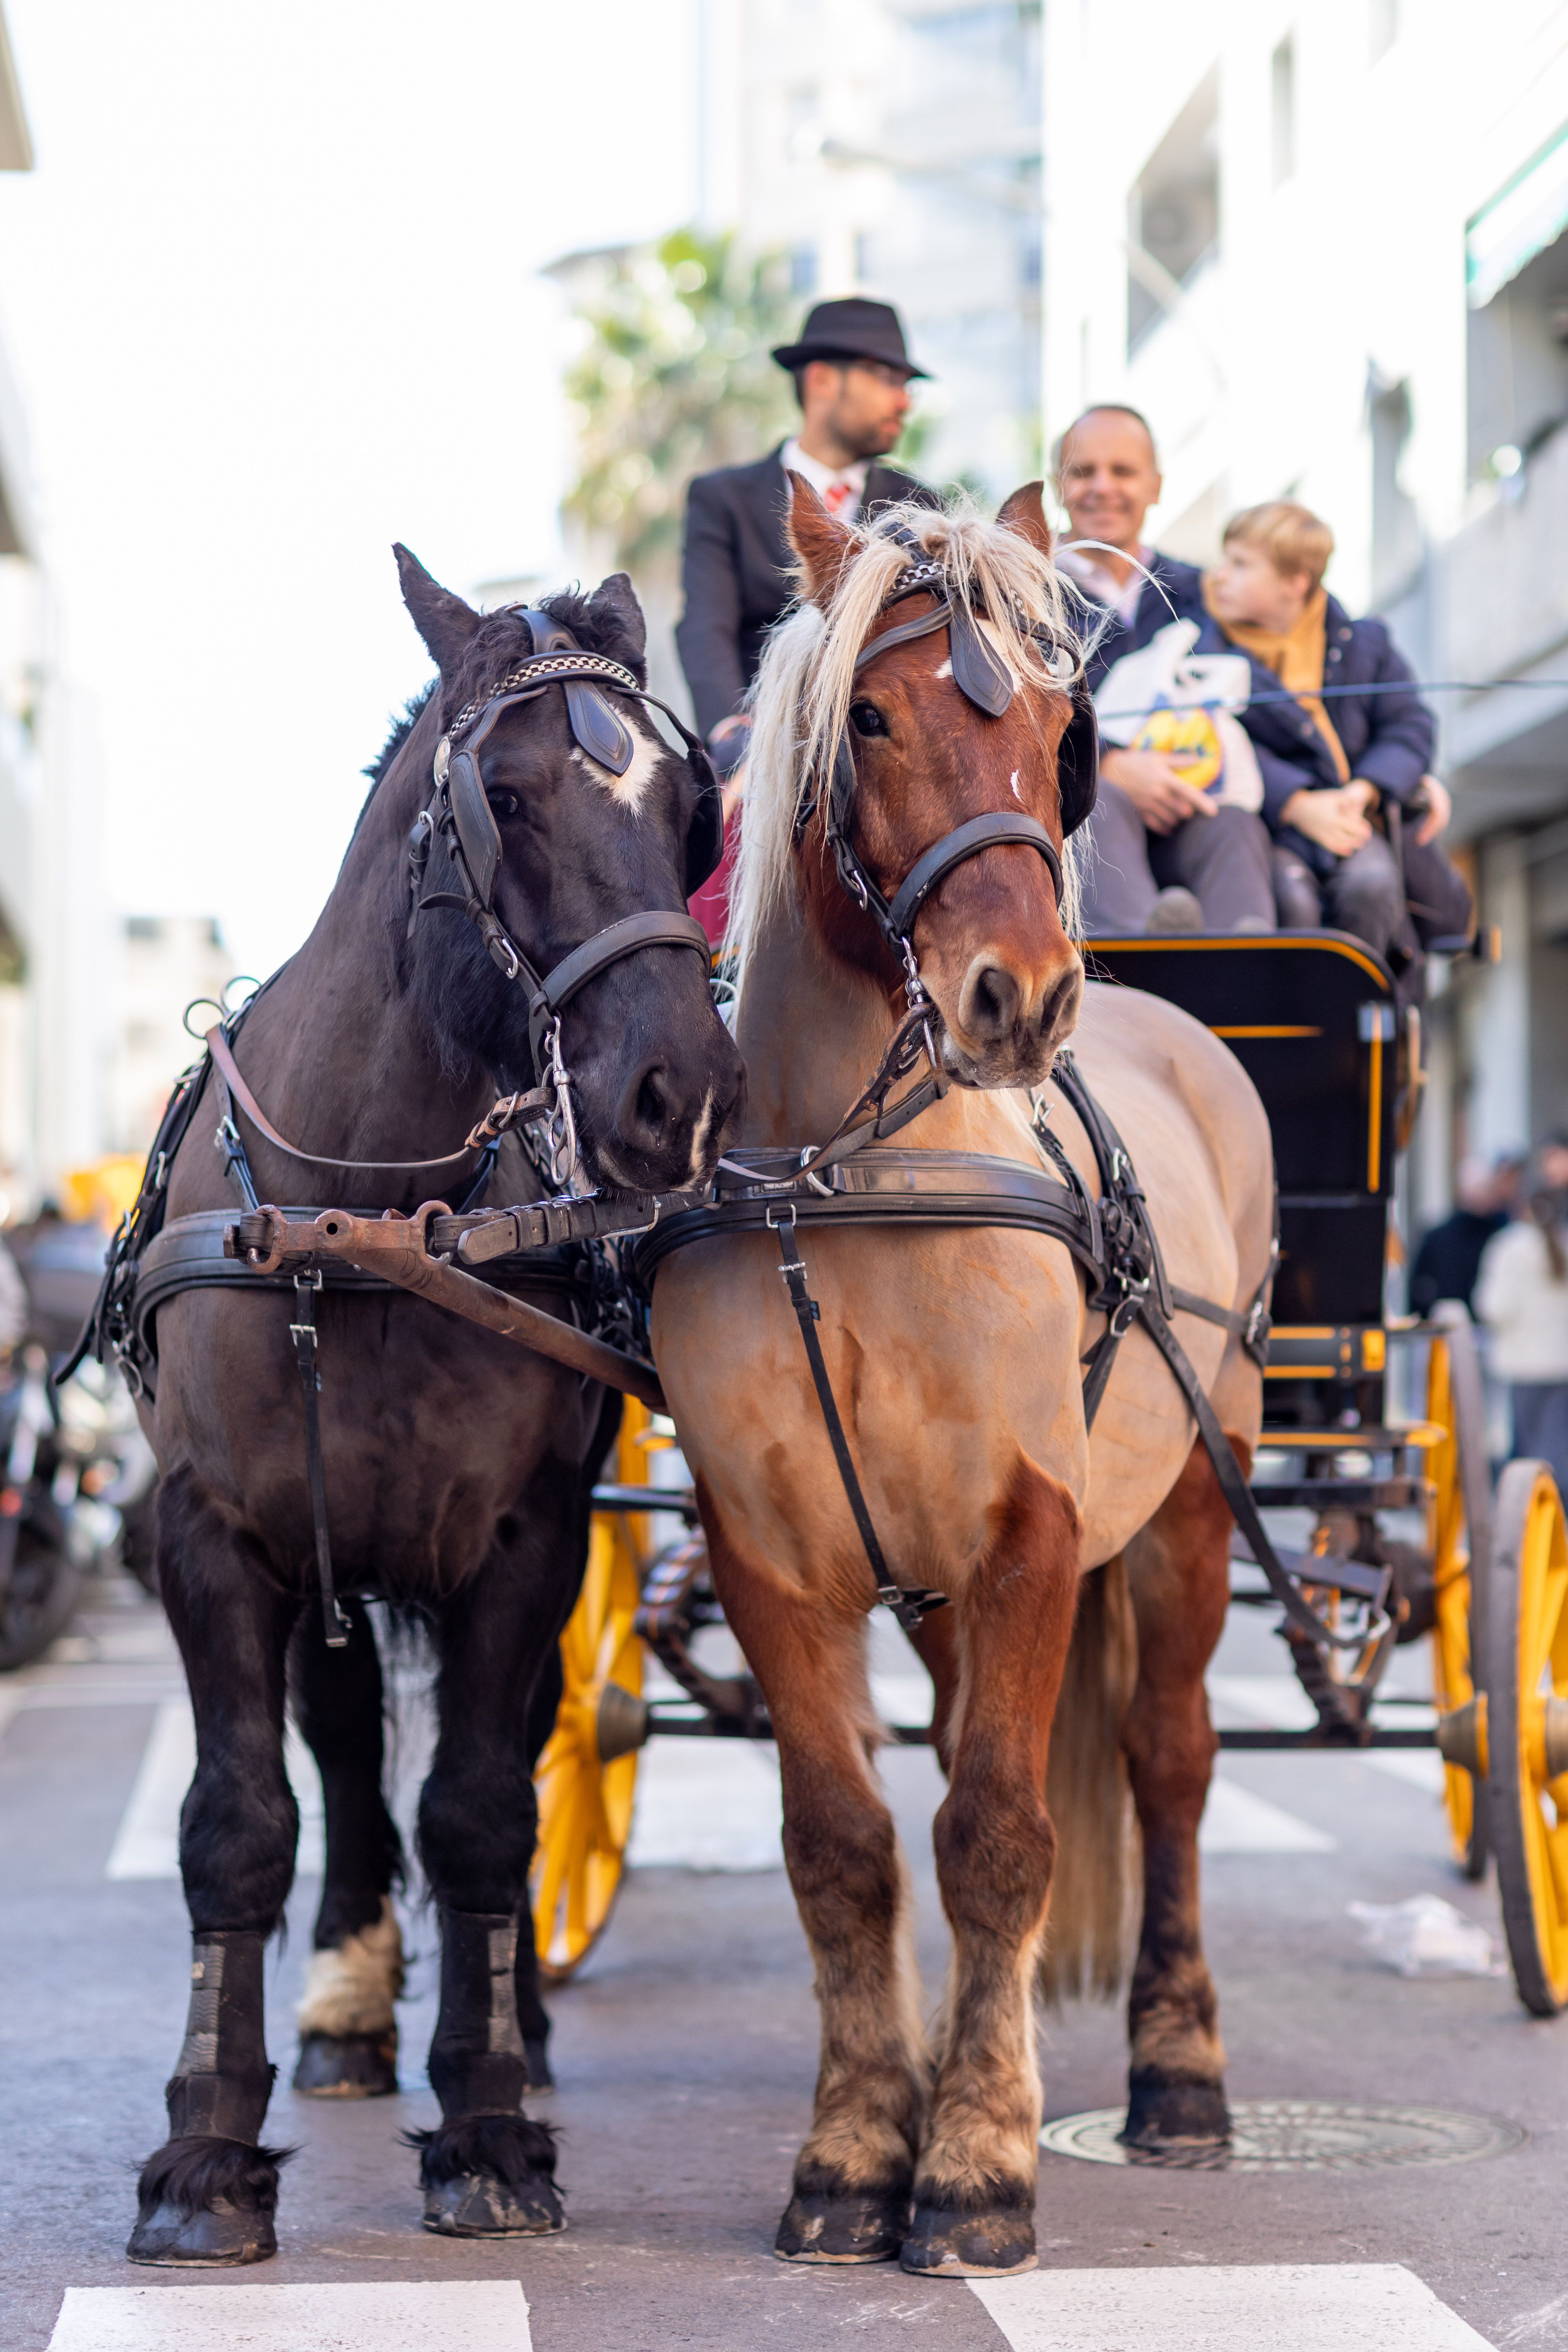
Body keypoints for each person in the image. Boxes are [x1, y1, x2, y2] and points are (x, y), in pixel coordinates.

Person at [1200, 501, 1472, 968]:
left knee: (1372, 887)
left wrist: (1365, 789)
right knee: (1292, 899)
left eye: (1241, 564)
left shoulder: (1365, 643)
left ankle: (1361, 1025)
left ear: (1295, 582)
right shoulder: (1206, 655)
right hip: (1274, 831)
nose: (1220, 576)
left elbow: (1409, 724)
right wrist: (1297, 804)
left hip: (1355, 820)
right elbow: (1216, 741)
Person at [675, 297, 940, 775]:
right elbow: (705, 628)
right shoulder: (722, 499)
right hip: (759, 753)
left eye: (905, 386)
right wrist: (729, 732)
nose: (904, 401)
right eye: (886, 379)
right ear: (820, 380)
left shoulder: (922, 506)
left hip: (888, 759)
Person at [1053, 405, 1275, 936]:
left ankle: (1249, 979)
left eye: (1123, 471)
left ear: (1156, 486)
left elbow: (1278, 689)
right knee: (1100, 805)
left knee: (1236, 825)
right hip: (1083, 815)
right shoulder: (1024, 591)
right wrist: (1106, 763)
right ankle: (1142, 983)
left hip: (1196, 801)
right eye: (1083, 471)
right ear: (1057, 486)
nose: (1102, 487)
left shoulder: (1202, 593)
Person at [1475, 1140, 1568, 1494]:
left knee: (1527, 1454)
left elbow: (1494, 1308)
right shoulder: (1558, 1245)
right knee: (1556, 1451)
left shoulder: (1509, 1248)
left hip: (1523, 1366)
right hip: (1560, 1366)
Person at [1408, 1155, 1520, 1317]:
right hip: (1447, 1323)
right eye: (1479, 1188)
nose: (1484, 1195)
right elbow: (1420, 1288)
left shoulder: (1502, 1235)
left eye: (1488, 1188)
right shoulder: (1439, 1237)